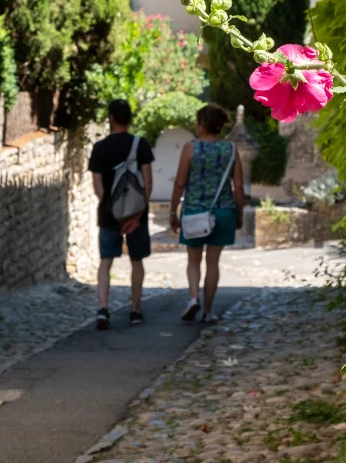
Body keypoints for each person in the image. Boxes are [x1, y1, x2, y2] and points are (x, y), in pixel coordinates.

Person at [170, 105, 244, 323]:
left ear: (201, 124)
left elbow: (180, 183)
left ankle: (193, 298)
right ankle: (208, 311)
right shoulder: (231, 149)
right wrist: (238, 214)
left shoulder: (190, 148)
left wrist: (173, 210)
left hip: (194, 211)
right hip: (223, 212)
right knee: (213, 262)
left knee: (193, 260)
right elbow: (238, 187)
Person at [88, 99, 154, 330]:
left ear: (111, 118)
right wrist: (136, 214)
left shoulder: (99, 148)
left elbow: (98, 187)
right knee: (137, 261)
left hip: (108, 215)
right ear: (129, 118)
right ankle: (135, 310)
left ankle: (103, 309)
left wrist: (112, 210)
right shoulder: (140, 145)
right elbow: (147, 182)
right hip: (137, 214)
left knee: (105, 262)